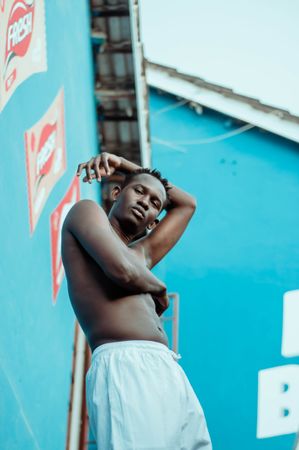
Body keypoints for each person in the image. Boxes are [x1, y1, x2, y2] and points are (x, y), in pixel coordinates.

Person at [62, 152, 212, 450]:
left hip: (168, 370)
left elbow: (187, 204)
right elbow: (122, 272)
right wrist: (157, 286)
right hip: (125, 365)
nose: (145, 201)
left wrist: (123, 164)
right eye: (139, 191)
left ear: (153, 222)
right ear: (117, 192)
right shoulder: (85, 212)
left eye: (155, 203)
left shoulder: (141, 255)